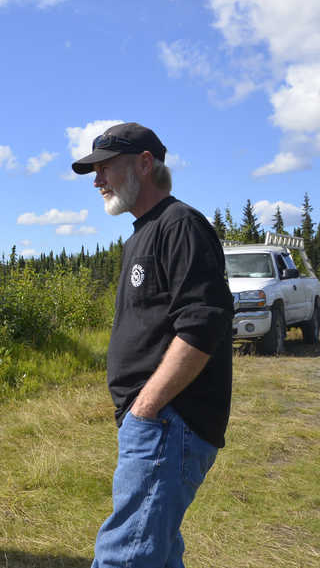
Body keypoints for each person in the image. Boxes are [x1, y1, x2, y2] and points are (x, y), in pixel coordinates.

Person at [72, 122, 233, 568]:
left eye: (104, 167)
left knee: (124, 557)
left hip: (167, 425)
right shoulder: (143, 232)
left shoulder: (180, 226)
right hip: (154, 425)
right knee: (156, 555)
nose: (97, 180)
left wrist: (146, 408)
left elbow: (202, 326)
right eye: (94, 171)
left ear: (145, 164)